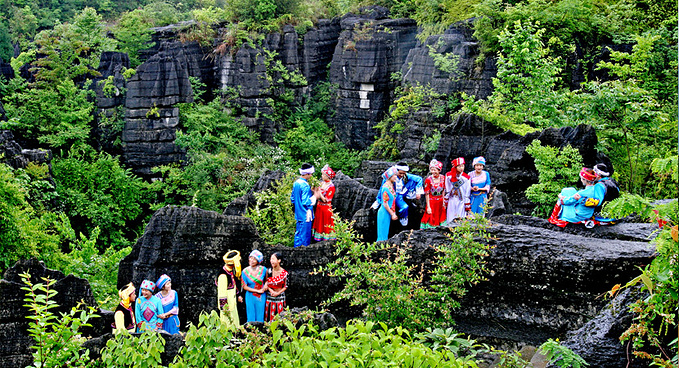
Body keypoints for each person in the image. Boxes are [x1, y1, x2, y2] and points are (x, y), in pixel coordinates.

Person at [291, 163, 316, 247]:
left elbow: (293, 199)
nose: (311, 175)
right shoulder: (305, 185)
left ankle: (296, 250)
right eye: (311, 174)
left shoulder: (296, 183)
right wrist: (315, 196)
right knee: (305, 237)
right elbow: (306, 202)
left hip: (298, 214)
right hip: (306, 214)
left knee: (298, 235)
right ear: (307, 174)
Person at [217, 250, 243, 328]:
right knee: (227, 326)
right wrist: (225, 309)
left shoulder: (231, 272)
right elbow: (222, 294)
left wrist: (238, 295)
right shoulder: (223, 275)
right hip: (227, 308)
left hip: (232, 304)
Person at [241, 250, 267, 323]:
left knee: (260, 314)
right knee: (250, 315)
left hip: (261, 296)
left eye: (254, 259)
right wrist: (257, 291)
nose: (252, 260)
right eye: (251, 258)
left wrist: (265, 286)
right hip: (250, 296)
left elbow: (267, 280)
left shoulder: (263, 269)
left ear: (258, 261)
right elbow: (244, 286)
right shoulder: (245, 271)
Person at [312, 165, 337, 241]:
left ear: (327, 176)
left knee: (326, 224)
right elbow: (315, 192)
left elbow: (325, 200)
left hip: (326, 208)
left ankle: (326, 239)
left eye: (323, 174)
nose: (322, 176)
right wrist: (314, 189)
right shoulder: (321, 183)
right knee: (319, 223)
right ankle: (317, 238)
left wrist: (319, 192)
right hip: (319, 207)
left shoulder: (331, 187)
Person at [420, 159, 447, 229]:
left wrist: (444, 201)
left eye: (435, 170)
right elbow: (427, 193)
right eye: (432, 170)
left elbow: (444, 190)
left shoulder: (443, 178)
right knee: (431, 217)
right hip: (432, 202)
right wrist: (428, 206)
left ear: (439, 170)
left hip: (440, 201)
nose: (433, 172)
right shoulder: (428, 179)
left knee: (441, 216)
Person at [444, 157, 471, 222]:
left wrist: (466, 202)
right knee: (450, 215)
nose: (461, 168)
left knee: (460, 216)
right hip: (452, 198)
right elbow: (447, 188)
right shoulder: (449, 176)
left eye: (462, 166)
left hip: (461, 200)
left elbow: (467, 191)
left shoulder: (466, 178)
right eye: (459, 166)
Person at [377, 167, 399, 241]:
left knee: (385, 234)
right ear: (390, 177)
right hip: (384, 212)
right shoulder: (385, 188)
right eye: (394, 175)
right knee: (382, 236)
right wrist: (392, 214)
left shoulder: (391, 185)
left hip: (388, 212)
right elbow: (385, 204)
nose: (396, 177)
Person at [265, 252, 288, 322]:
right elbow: (266, 282)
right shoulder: (268, 271)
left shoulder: (284, 273)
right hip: (270, 296)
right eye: (271, 259)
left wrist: (278, 293)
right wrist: (271, 291)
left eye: (273, 259)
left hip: (280, 296)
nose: (271, 261)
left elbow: (286, 286)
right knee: (269, 315)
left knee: (280, 315)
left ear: (279, 260)